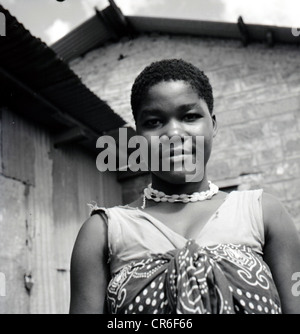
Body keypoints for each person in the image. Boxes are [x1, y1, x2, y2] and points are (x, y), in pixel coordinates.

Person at [69, 59, 300, 314]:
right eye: (154, 122)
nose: (174, 133)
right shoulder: (104, 232)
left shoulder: (262, 214)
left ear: (212, 125)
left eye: (190, 116)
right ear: (138, 137)